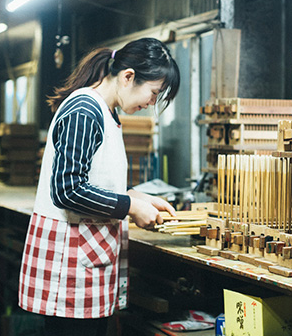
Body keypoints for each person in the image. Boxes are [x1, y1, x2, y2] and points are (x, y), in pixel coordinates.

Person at [18, 38, 180, 336]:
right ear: (128, 76)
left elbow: (96, 178)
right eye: (154, 93)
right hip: (68, 269)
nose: (151, 103)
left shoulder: (105, 112)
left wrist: (135, 195)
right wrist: (130, 207)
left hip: (84, 263)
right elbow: (67, 189)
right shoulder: (85, 110)